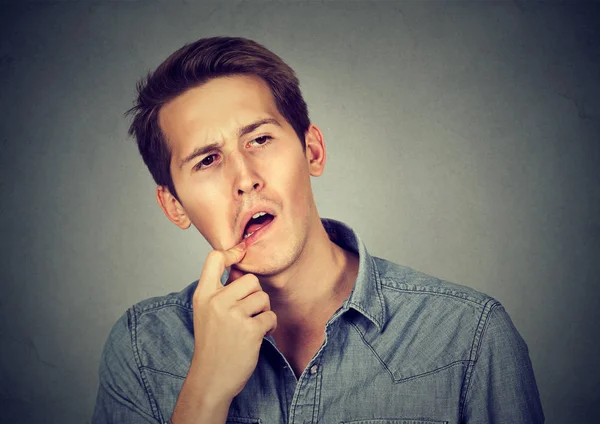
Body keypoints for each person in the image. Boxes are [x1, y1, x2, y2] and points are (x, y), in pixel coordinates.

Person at [92, 36, 544, 424]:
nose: (245, 178)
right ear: (174, 205)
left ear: (312, 151)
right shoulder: (142, 350)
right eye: (208, 160)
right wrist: (205, 395)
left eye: (260, 139)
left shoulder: (468, 336)